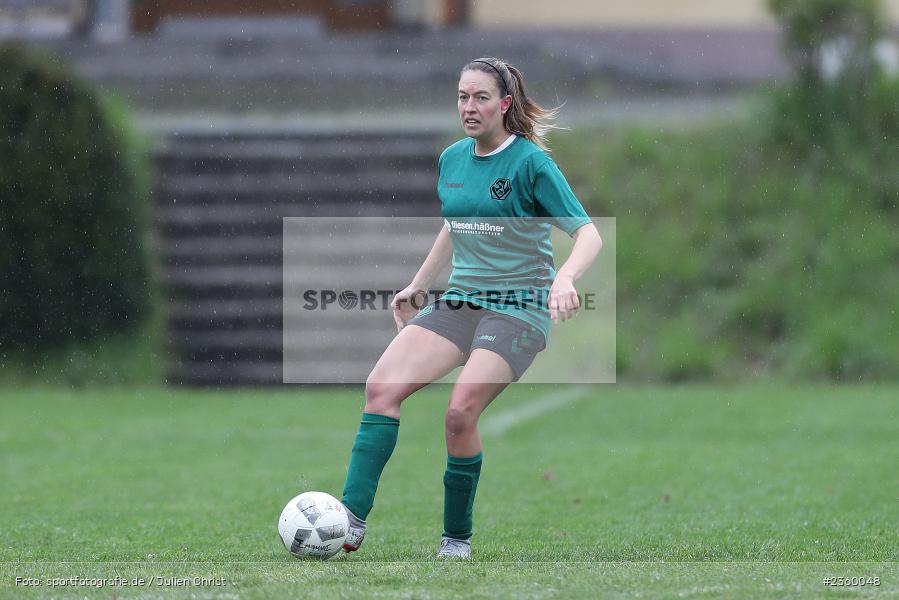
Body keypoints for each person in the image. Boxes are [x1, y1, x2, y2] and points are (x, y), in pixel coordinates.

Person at [339, 57, 603, 559]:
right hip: (461, 302)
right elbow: (455, 224)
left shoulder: (531, 164)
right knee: (381, 388)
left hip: (518, 309)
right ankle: (349, 520)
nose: (469, 106)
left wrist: (564, 277)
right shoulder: (453, 159)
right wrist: (418, 286)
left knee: (459, 413)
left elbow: (587, 233)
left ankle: (455, 539)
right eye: (463, 96)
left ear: (505, 105)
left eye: (481, 97)